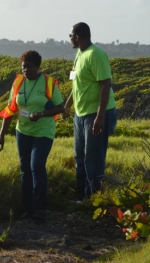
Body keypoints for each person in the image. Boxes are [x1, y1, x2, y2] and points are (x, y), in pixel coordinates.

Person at [0, 50, 64, 221]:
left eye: (30, 67)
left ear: (38, 67)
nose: (26, 71)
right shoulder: (18, 83)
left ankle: (41, 209)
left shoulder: (48, 83)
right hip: (23, 131)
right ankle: (28, 208)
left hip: (43, 132)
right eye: (23, 67)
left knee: (37, 166)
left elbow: (60, 107)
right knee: (25, 170)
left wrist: (41, 114)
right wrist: (1, 135)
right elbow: (11, 109)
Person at [63, 22, 117, 201]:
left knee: (93, 157)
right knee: (80, 154)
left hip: (96, 114)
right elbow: (77, 83)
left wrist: (100, 117)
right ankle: (82, 194)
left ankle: (94, 198)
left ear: (77, 37)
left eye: (71, 36)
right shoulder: (80, 54)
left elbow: (105, 85)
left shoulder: (96, 55)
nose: (69, 38)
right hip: (81, 113)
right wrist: (67, 106)